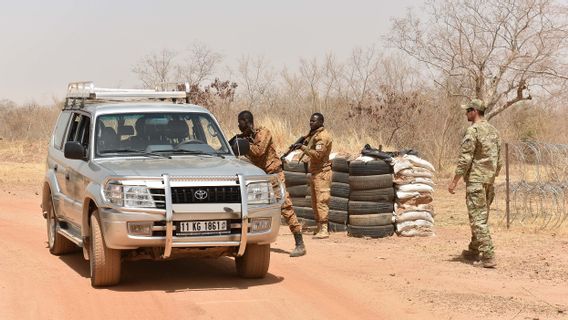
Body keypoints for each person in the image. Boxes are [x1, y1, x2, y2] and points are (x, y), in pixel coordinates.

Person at [237, 111, 306, 257]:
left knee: (285, 206)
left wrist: (242, 144)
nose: (238, 125)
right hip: (260, 178)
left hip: (273, 175)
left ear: (246, 121)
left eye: (240, 122)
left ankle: (299, 243)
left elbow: (259, 151)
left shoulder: (263, 132)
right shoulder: (247, 138)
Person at [448, 99, 502, 268]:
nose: (466, 113)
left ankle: (488, 256)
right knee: (480, 216)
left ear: (475, 112)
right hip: (489, 181)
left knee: (478, 220)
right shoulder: (494, 131)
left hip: (476, 181)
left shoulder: (473, 131)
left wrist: (455, 180)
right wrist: (492, 176)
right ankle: (473, 250)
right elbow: (499, 161)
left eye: (468, 111)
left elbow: (465, 159)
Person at [293, 113, 333, 239]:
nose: (311, 123)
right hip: (315, 172)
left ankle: (324, 229)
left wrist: (303, 148)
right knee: (315, 202)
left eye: (314, 121)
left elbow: (317, 155)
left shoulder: (322, 137)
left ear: (321, 122)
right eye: (310, 121)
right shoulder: (313, 134)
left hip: (322, 173)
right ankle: (319, 227)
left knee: (322, 201)